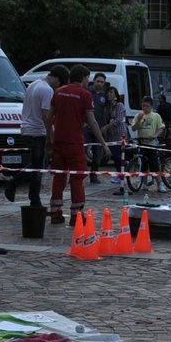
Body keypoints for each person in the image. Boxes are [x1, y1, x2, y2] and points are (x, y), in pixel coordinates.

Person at [49, 65, 108, 225]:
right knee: (77, 178)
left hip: (59, 142)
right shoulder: (85, 94)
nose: (88, 81)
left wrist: (50, 138)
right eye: (87, 78)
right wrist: (103, 143)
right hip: (74, 142)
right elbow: (92, 120)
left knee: (59, 177)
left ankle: (55, 212)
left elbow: (49, 117)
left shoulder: (58, 92)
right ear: (82, 78)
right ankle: (76, 215)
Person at [6, 66, 56, 207]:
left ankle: (28, 194)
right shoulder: (47, 89)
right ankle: (32, 197)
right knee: (38, 166)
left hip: (29, 129)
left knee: (39, 164)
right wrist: (50, 135)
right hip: (37, 132)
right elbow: (46, 115)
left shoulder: (34, 84)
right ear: (56, 78)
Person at [132, 96, 166, 189]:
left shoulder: (156, 116)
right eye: (143, 106)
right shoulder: (138, 115)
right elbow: (133, 128)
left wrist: (155, 135)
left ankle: (160, 184)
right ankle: (144, 182)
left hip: (151, 144)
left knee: (154, 164)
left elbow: (161, 127)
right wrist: (138, 120)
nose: (144, 108)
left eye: (147, 106)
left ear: (151, 106)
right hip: (142, 142)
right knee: (143, 164)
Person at [103, 86, 129, 191]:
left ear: (115, 95)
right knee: (114, 155)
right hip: (111, 135)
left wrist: (106, 127)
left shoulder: (119, 105)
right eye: (108, 92)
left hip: (119, 133)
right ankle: (119, 175)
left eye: (111, 92)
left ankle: (127, 164)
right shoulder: (108, 107)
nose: (109, 94)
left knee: (119, 155)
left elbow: (118, 120)